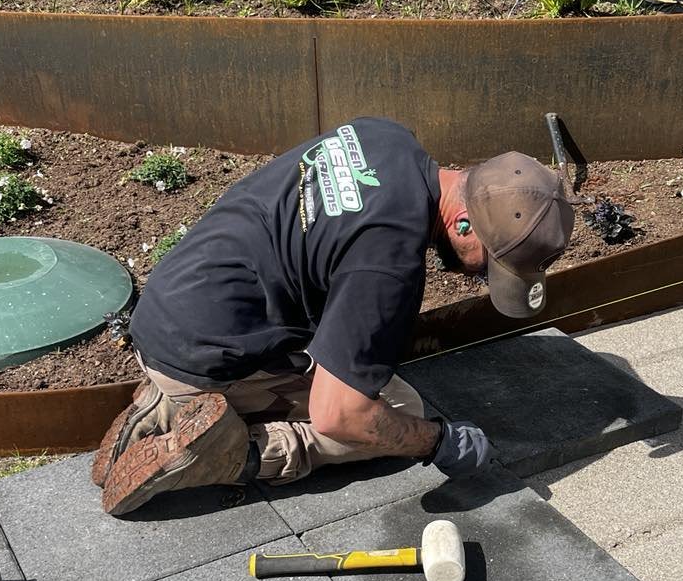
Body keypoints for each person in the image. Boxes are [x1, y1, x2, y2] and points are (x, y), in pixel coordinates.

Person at [94, 116, 574, 516]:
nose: (479, 277)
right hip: (205, 357)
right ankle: (231, 452)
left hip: (168, 311)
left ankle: (164, 407)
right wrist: (438, 442)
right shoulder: (388, 264)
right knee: (396, 411)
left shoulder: (385, 137)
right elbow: (341, 414)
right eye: (488, 265)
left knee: (358, 375)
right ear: (462, 223)